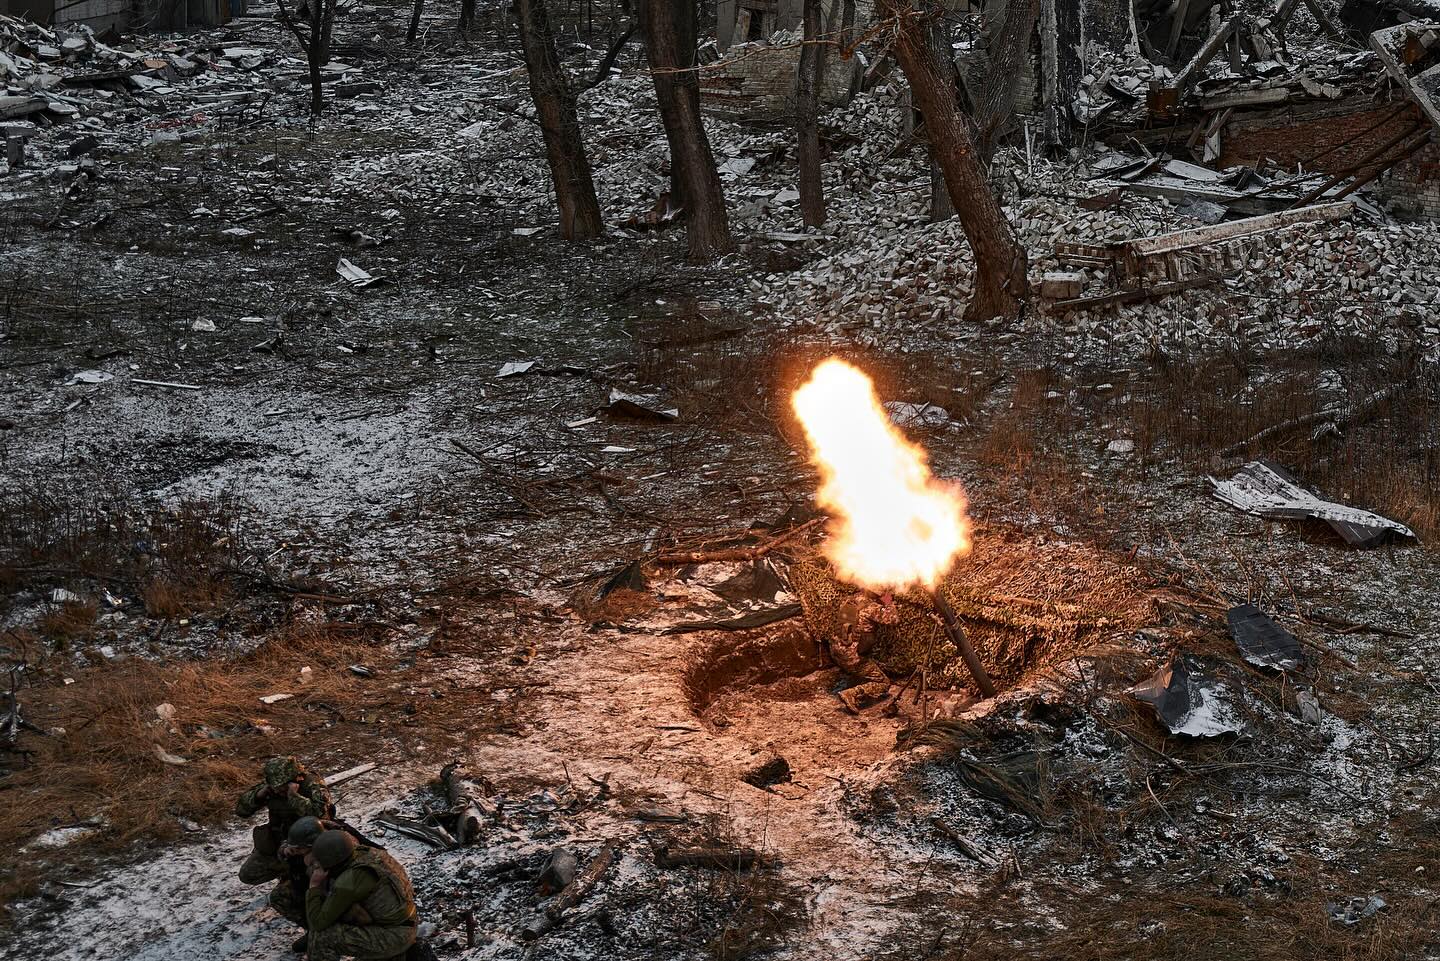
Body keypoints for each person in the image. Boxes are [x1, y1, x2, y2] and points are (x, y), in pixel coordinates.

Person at [306, 830, 419, 961]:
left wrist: (314, 886)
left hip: (395, 935)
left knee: (322, 936)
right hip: (405, 923)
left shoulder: (349, 880)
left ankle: (394, 953)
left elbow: (318, 923)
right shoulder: (368, 854)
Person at [235, 756, 334, 887]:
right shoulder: (271, 788)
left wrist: (294, 797)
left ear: (294, 779)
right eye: (274, 786)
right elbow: (241, 811)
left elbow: (320, 816)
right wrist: (258, 795)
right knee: (248, 874)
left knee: (313, 882)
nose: (276, 790)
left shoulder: (312, 785)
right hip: (281, 842)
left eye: (281, 787)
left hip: (308, 845)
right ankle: (286, 871)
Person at [832, 591, 900, 712]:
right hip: (854, 658)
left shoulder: (849, 600)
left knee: (862, 662)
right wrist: (889, 603)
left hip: (837, 652)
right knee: (884, 683)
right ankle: (852, 693)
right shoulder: (872, 607)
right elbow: (894, 619)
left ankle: (854, 680)